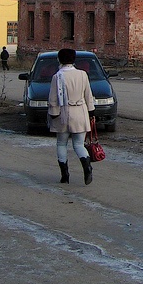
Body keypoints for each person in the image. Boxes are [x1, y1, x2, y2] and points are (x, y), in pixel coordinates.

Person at [48, 48, 95, 185]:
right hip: (80, 112)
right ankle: (87, 167)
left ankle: (65, 175)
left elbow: (53, 99)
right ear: (74, 59)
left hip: (62, 113)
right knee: (79, 144)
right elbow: (88, 95)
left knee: (61, 144)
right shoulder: (82, 74)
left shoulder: (57, 76)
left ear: (59, 59)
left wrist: (53, 114)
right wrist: (91, 112)